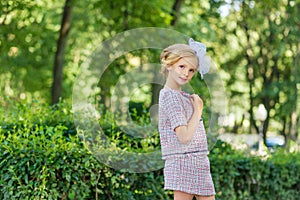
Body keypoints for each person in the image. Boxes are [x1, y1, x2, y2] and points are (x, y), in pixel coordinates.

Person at [158, 38, 216, 200]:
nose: (186, 73)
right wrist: (198, 110)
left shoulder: (181, 96)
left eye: (191, 70)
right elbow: (183, 136)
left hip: (198, 162)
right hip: (183, 161)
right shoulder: (169, 96)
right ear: (169, 65)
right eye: (182, 66)